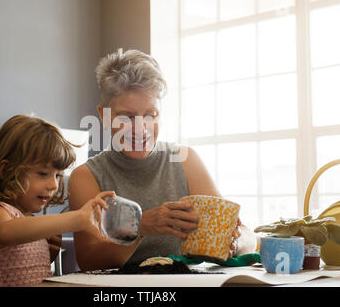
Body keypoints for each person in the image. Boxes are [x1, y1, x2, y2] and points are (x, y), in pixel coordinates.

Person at [68, 49, 257, 271]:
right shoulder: (86, 177)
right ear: (103, 115)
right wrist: (139, 227)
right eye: (127, 117)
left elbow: (244, 233)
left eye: (151, 115)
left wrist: (236, 243)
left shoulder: (185, 161)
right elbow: (89, 261)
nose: (141, 129)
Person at [0, 114, 113, 286]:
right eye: (42, 174)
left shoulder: (28, 219)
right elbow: (5, 232)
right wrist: (77, 219)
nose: (53, 185)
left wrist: (47, 254)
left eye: (58, 175)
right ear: (5, 170)